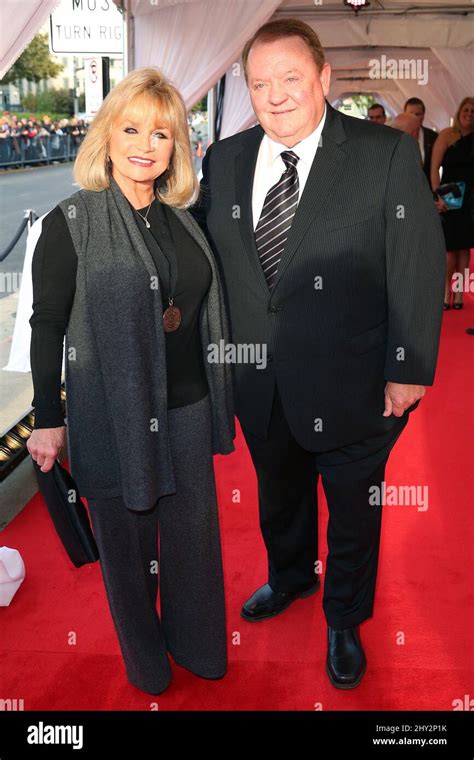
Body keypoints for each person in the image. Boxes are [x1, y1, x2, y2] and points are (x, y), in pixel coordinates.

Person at [192, 18, 445, 689]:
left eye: (291, 79)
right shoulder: (224, 159)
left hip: (355, 384)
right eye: (259, 83)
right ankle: (291, 578)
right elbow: (199, 258)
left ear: (324, 79)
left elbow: (418, 263)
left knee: (355, 510)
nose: (274, 96)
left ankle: (345, 618)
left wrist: (408, 367)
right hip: (259, 383)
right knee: (280, 499)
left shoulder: (381, 154)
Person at [27, 67, 235, 695]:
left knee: (194, 542)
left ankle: (197, 647)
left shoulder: (186, 219)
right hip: (113, 413)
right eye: (132, 128)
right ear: (107, 136)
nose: (147, 144)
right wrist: (47, 418)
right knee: (128, 546)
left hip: (190, 408)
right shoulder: (73, 223)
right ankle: (146, 663)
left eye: (163, 134)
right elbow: (47, 326)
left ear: (179, 146)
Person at [431, 97, 474, 310]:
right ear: (459, 112)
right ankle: (445, 292)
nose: (469, 113)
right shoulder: (447, 135)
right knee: (449, 252)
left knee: (465, 250)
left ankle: (459, 294)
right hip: (448, 198)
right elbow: (434, 168)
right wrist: (437, 197)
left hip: (470, 201)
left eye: (473, 111)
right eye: (465, 109)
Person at [403, 97, 438, 188]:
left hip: (427, 190)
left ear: (424, 115)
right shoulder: (398, 136)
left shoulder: (433, 137)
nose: (414, 117)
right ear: (404, 114)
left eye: (418, 114)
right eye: (411, 114)